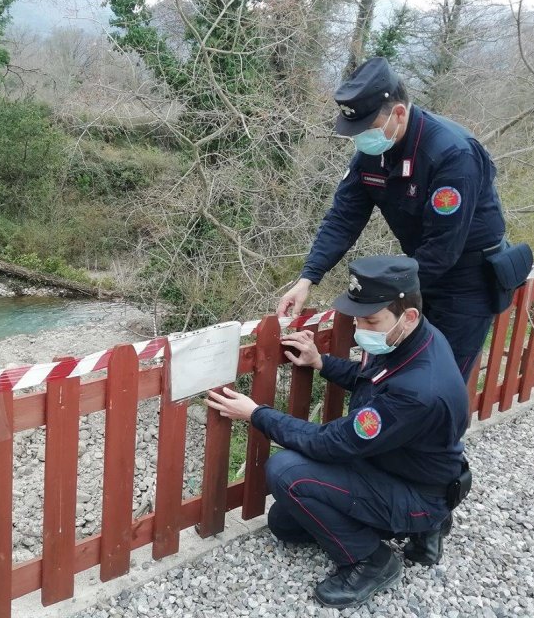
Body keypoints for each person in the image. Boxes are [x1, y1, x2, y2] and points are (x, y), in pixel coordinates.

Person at [206, 255, 471, 609]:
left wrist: (256, 413)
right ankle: (420, 527)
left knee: (286, 473)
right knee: (285, 525)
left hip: (417, 489)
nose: (362, 328)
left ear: (407, 316)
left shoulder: (418, 389)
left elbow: (329, 443)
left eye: (370, 320)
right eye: (359, 318)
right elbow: (373, 381)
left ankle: (373, 562)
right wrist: (322, 362)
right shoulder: (411, 340)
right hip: (399, 466)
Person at [277, 56, 510, 381]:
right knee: (388, 377)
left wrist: (385, 296)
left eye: (367, 129)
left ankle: (440, 434)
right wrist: (307, 278)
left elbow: (443, 249)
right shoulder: (372, 154)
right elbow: (343, 217)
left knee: (437, 384)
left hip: (466, 282)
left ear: (398, 113)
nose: (360, 140)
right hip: (417, 271)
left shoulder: (452, 155)